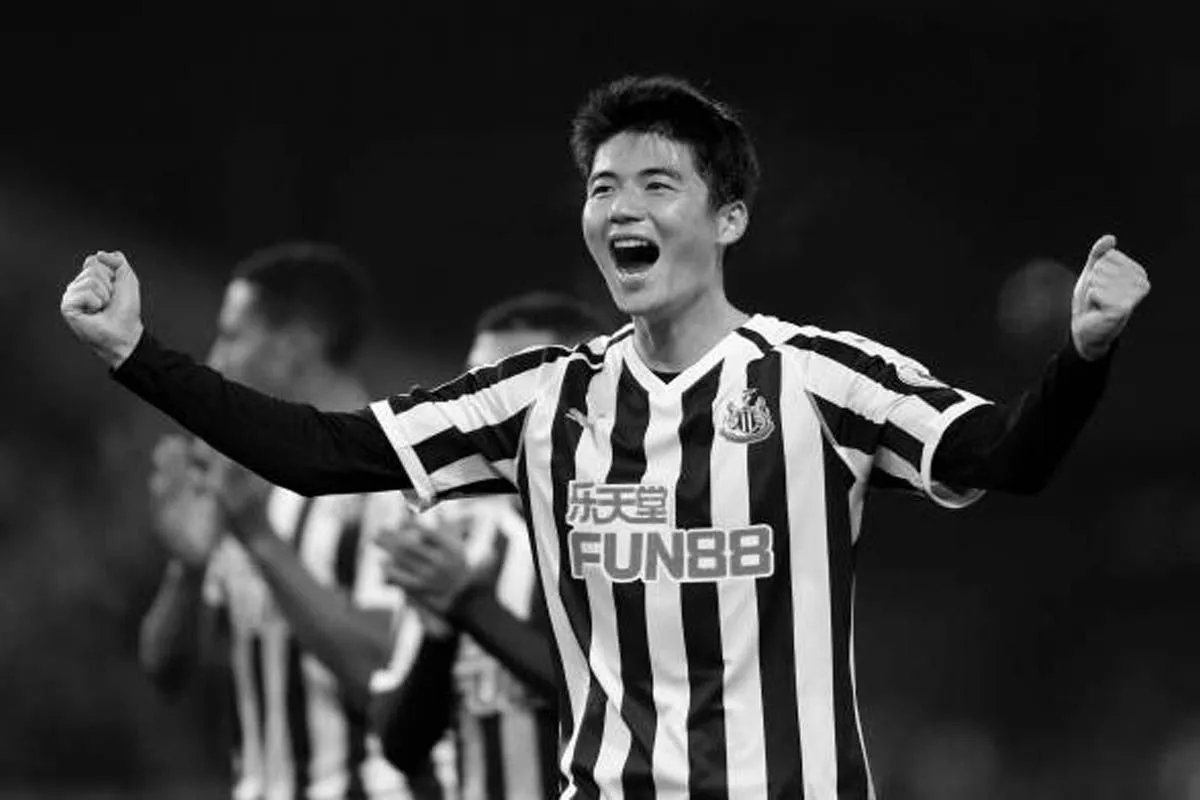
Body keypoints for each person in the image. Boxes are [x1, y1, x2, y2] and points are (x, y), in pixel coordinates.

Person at [62, 75, 1150, 799]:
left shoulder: (820, 377)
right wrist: (135, 352)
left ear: (727, 219)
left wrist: (1083, 357)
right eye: (602, 185)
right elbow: (320, 449)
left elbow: (1009, 458)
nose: (621, 204)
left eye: (656, 182)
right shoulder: (544, 397)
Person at [134, 243, 446, 800]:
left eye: (233, 335)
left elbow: (385, 673)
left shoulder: (392, 482)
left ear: (298, 345)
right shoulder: (242, 480)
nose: (215, 358)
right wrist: (186, 568)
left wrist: (257, 537)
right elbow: (166, 672)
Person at [370, 292, 607, 800]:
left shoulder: (643, 525)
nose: (476, 412)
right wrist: (438, 637)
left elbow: (624, 706)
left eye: (507, 388)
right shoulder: (460, 536)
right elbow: (399, 744)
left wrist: (468, 603)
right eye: (473, 385)